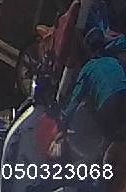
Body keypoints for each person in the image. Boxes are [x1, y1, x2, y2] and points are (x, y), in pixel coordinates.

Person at [52, 28, 126, 181]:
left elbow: (74, 101)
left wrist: (63, 125)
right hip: (123, 95)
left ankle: (102, 179)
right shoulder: (112, 59)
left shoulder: (88, 68)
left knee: (107, 147)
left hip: (108, 104)